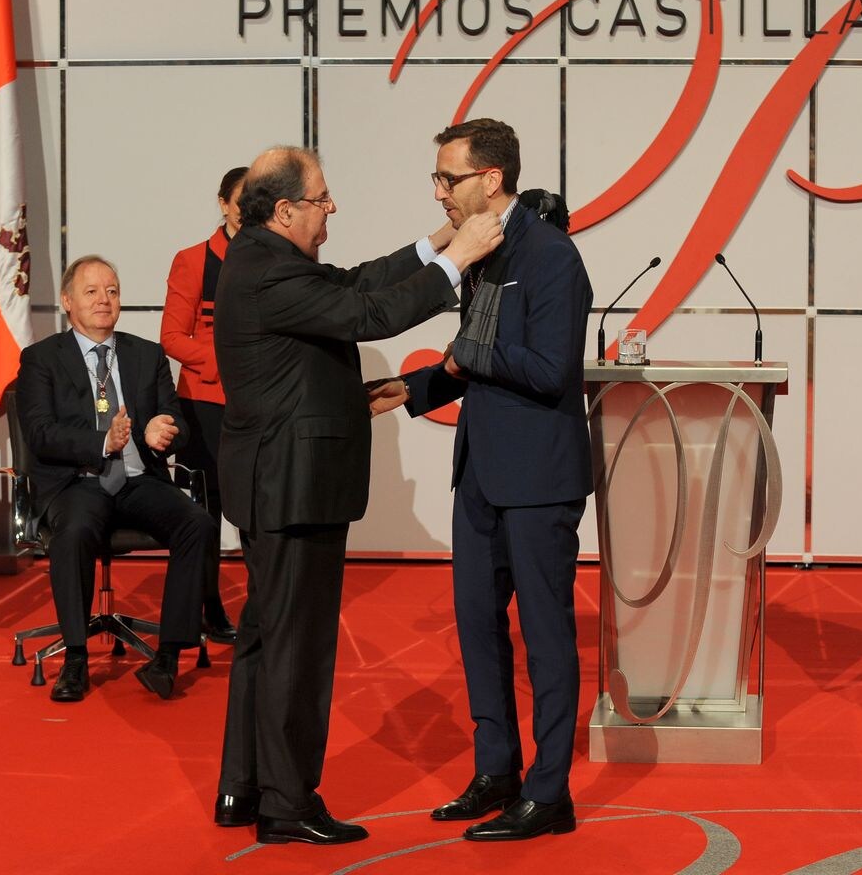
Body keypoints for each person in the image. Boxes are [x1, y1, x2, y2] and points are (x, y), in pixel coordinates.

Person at [211, 145, 504, 846]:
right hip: (292, 487)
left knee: (264, 640)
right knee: (298, 650)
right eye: (321, 198)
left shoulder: (263, 259)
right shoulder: (265, 271)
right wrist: (458, 258)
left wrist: (435, 242)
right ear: (284, 211)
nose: (331, 207)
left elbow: (356, 282)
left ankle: (244, 786)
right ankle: (288, 803)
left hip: (278, 482)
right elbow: (369, 315)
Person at [369, 118, 594, 842]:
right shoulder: (480, 253)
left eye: (448, 177)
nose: (438, 192)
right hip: (482, 476)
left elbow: (550, 370)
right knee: (478, 630)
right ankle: (496, 769)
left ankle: (549, 790)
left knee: (546, 637)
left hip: (539, 479)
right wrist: (419, 388)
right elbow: (478, 363)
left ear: (491, 179)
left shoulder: (553, 257)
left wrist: (465, 356)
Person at [15, 255, 219, 702]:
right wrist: (103, 442)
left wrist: (159, 431)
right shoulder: (41, 359)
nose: (104, 300)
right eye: (91, 292)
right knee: (74, 531)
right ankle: (75, 658)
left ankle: (167, 656)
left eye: (111, 290)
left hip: (136, 477)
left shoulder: (145, 355)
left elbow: (180, 423)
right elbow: (40, 434)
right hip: (77, 481)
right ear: (68, 301)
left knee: (197, 523)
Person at [159, 166, 248, 644]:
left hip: (259, 401)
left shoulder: (276, 257)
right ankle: (207, 605)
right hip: (206, 403)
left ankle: (262, 608)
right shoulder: (193, 260)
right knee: (205, 514)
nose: (246, 208)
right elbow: (171, 337)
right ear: (222, 203)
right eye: (240, 199)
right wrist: (226, 361)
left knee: (257, 507)